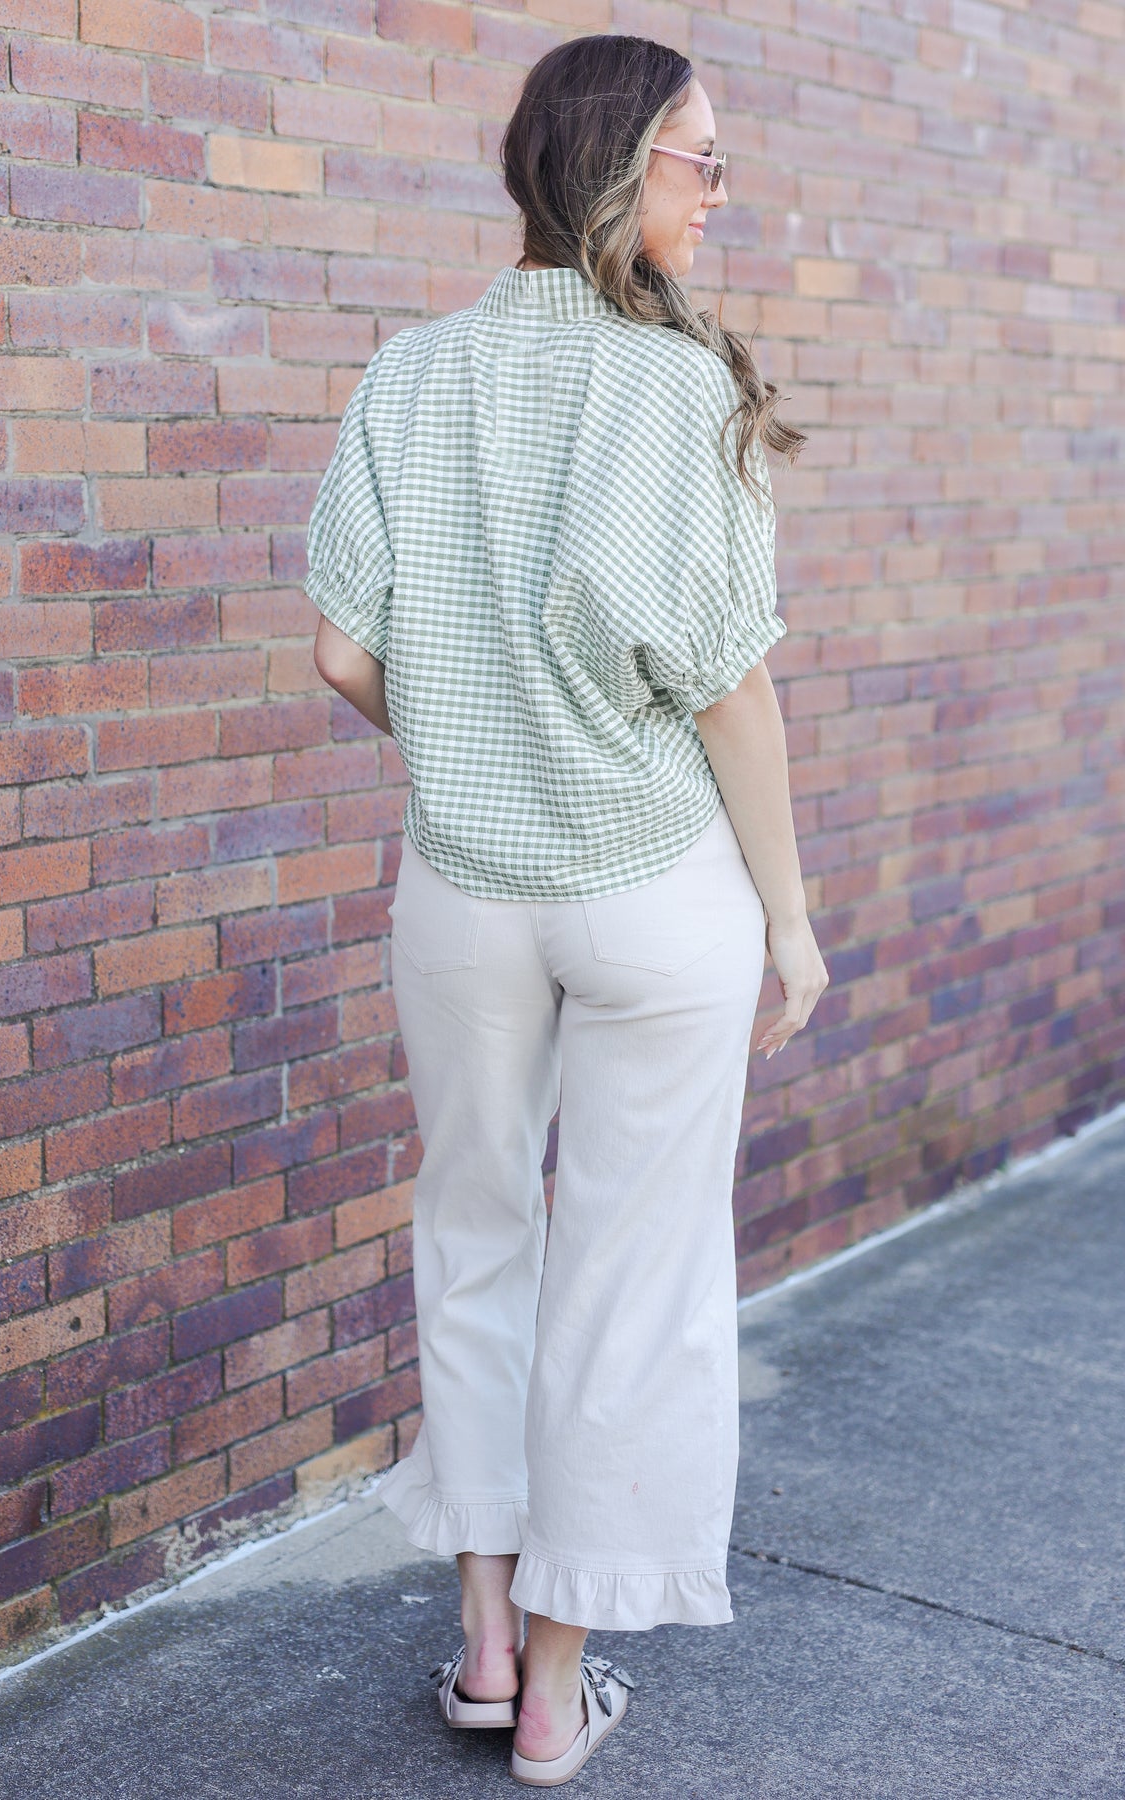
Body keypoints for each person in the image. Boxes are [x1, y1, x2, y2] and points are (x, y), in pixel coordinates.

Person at [304, 31, 829, 1788]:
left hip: (461, 889)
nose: (720, 187)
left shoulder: (408, 371)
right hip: (650, 888)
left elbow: (339, 649)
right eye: (701, 156)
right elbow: (732, 691)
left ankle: (473, 1642)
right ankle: (552, 1691)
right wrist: (794, 914)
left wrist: (470, 745)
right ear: (616, 168)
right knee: (632, 1279)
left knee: (475, 1243)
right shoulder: (680, 394)